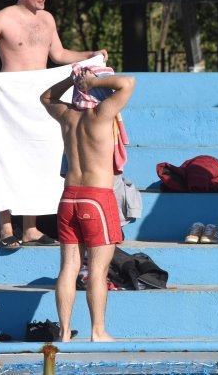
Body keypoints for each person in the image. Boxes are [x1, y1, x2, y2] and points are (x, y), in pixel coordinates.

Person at [0, 0, 107, 249]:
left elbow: (59, 55)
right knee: (5, 156)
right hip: (9, 98)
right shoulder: (2, 18)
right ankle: (6, 228)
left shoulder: (47, 19)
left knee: (40, 156)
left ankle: (31, 228)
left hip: (41, 96)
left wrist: (89, 55)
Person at [40, 67, 136, 341]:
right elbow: (127, 82)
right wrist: (93, 81)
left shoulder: (67, 116)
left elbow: (46, 97)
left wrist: (72, 81)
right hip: (97, 198)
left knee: (68, 267)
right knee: (97, 270)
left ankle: (65, 332)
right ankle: (97, 331)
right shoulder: (102, 114)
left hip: (69, 196)